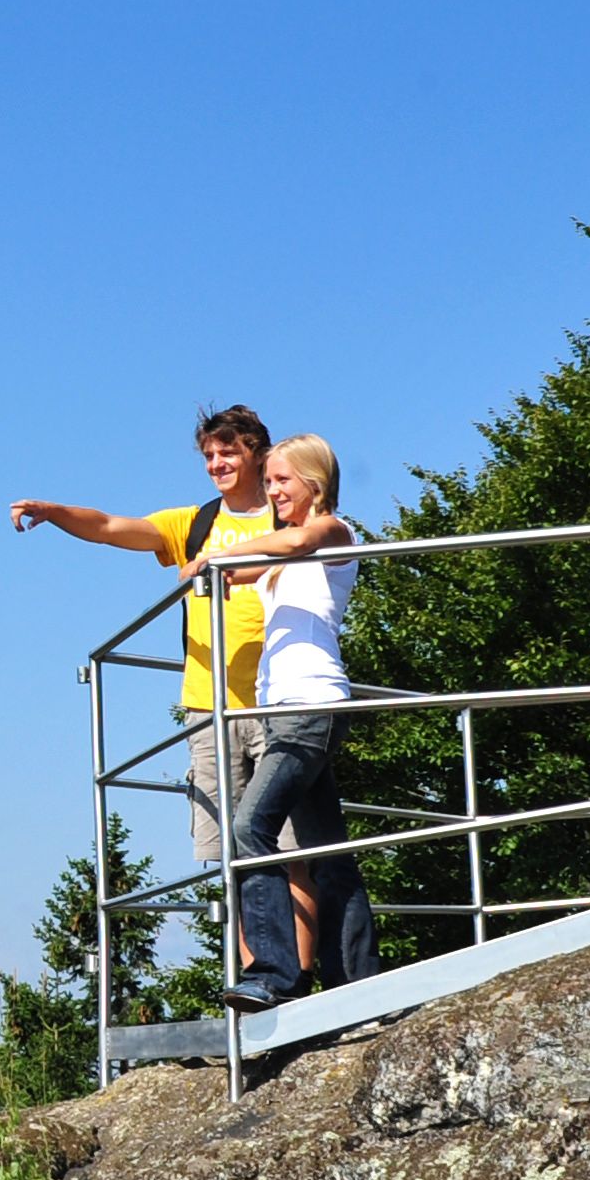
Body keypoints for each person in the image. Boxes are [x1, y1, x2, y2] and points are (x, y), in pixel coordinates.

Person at [11, 406, 279, 871]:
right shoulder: (195, 523)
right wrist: (52, 512)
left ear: (258, 454)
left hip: (279, 698)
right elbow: (111, 528)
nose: (217, 463)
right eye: (209, 455)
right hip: (208, 703)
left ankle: (299, 949)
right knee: (230, 860)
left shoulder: (288, 520)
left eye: (228, 452)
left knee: (294, 850)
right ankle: (252, 949)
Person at [212, 432, 379, 1007]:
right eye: (271, 480)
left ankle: (273, 973)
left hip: (311, 705)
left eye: (283, 480)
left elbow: (299, 541)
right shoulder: (279, 551)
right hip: (281, 708)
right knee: (327, 852)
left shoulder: (335, 531)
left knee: (248, 828)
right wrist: (220, 570)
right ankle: (357, 982)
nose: (273, 490)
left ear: (314, 483)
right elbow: (244, 572)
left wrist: (217, 556)